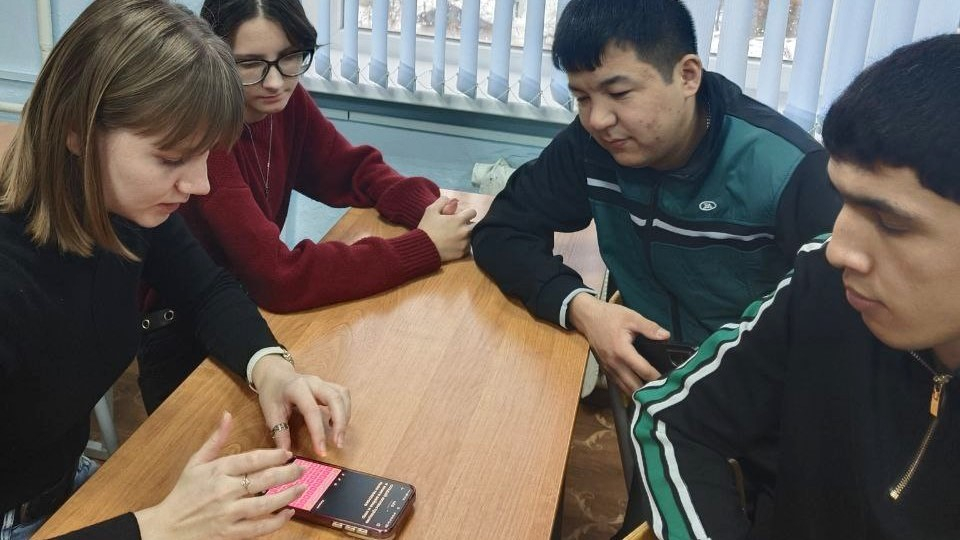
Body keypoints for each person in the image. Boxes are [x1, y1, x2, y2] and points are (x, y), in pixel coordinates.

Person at [0, 1, 350, 538]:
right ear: (76, 131)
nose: (199, 185)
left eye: (207, 155)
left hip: (68, 488)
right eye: (170, 159)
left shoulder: (119, 208)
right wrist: (159, 526)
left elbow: (206, 289)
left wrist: (272, 368)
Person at [633, 34, 960, 539]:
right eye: (844, 200)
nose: (838, 249)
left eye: (891, 223)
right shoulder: (825, 287)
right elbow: (672, 419)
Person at [471, 0, 840, 396]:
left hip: (760, 390)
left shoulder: (787, 168)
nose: (597, 119)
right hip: (651, 377)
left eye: (619, 93)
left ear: (687, 76)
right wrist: (582, 307)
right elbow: (502, 230)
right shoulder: (591, 145)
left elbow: (845, 317)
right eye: (582, 98)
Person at [136, 0, 477, 413]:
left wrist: (427, 210)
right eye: (250, 64)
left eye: (290, 57)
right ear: (213, 57)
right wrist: (423, 247)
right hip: (185, 337)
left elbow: (351, 171)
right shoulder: (207, 141)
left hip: (250, 316)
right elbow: (279, 277)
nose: (276, 81)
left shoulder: (282, 102)